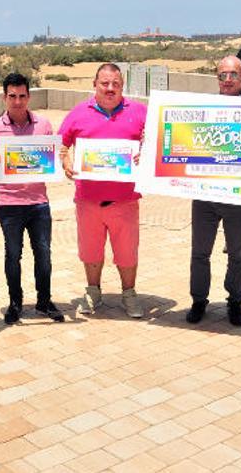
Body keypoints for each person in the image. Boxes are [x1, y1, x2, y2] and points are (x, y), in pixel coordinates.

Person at [59, 63, 146, 318]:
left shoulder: (140, 112)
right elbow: (60, 145)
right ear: (94, 84)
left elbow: (157, 143)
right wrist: (65, 162)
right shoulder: (77, 113)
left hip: (125, 200)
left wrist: (146, 154)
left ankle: (129, 294)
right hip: (88, 200)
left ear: (122, 86)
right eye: (104, 83)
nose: (110, 89)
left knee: (127, 252)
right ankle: (92, 292)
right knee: (91, 251)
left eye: (115, 84)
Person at [0, 73, 64, 324]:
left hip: (39, 203)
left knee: (44, 254)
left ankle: (44, 301)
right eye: (12, 97)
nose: (17, 102)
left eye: (22, 96)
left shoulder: (44, 125)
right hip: (9, 205)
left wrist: (58, 157)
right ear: (4, 98)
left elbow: (51, 160)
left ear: (28, 96)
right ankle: (15, 303)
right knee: (12, 255)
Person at [185, 55, 241, 326]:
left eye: (233, 75)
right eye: (222, 75)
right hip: (205, 196)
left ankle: (235, 303)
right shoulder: (204, 108)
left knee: (238, 254)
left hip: (239, 195)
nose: (227, 80)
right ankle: (198, 301)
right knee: (200, 252)